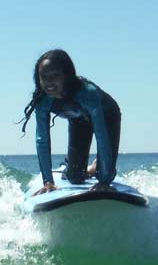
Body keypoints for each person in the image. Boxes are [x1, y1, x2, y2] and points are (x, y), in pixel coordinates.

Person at [19, 49, 121, 195]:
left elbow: (101, 135)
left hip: (106, 117)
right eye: (44, 76)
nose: (49, 81)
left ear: (66, 75)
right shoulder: (42, 101)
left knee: (107, 175)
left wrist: (104, 181)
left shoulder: (87, 93)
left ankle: (100, 167)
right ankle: (88, 168)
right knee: (74, 177)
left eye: (55, 75)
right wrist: (48, 182)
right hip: (79, 120)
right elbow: (42, 140)